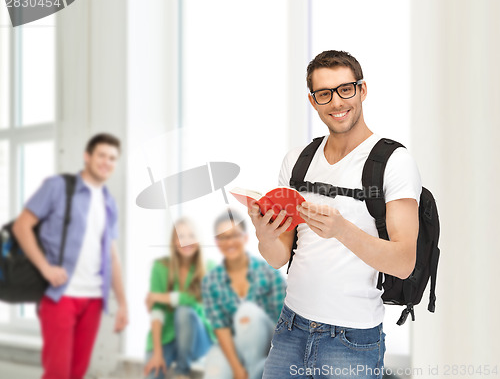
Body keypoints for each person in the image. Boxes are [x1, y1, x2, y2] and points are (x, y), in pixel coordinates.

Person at [248, 50, 422, 379]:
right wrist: (265, 235)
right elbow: (277, 256)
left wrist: (341, 229)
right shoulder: (297, 160)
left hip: (351, 339)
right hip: (290, 327)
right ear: (313, 101)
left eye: (346, 89)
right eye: (324, 94)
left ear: (362, 90)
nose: (337, 102)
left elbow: (404, 261)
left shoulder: (393, 162)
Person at [12, 133, 128, 379]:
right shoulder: (57, 187)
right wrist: (45, 268)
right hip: (60, 295)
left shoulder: (109, 202)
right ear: (87, 157)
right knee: (57, 373)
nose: (107, 162)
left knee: (77, 373)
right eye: (102, 155)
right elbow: (21, 227)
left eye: (112, 158)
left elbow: (112, 256)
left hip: (94, 298)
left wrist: (123, 303)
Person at [202, 208, 287, 379]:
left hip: (268, 344)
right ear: (217, 242)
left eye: (234, 235)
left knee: (247, 312)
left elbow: (283, 322)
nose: (230, 242)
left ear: (245, 238)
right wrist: (238, 369)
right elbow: (221, 328)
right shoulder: (212, 281)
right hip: (234, 348)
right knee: (214, 368)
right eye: (223, 237)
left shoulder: (267, 273)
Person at [144, 218, 214, 379]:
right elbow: (157, 311)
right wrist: (157, 352)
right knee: (153, 374)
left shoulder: (208, 267)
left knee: (183, 312)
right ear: (174, 241)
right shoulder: (160, 267)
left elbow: (195, 298)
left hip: (199, 339)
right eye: (181, 236)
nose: (186, 241)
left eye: (191, 235)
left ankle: (182, 372)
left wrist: (160, 296)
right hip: (168, 337)